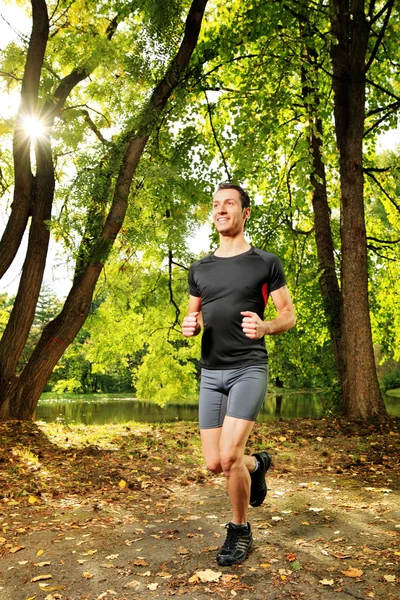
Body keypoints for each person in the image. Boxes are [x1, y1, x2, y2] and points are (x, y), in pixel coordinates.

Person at [182, 183, 296, 567]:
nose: (221, 209)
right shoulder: (200, 268)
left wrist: (265, 327)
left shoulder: (265, 262)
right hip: (211, 372)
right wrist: (189, 326)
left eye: (229, 203)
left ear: (245, 213)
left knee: (230, 455)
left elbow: (288, 315)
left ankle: (240, 529)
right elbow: (192, 315)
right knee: (215, 463)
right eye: (215, 205)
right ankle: (257, 465)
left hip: (249, 367)